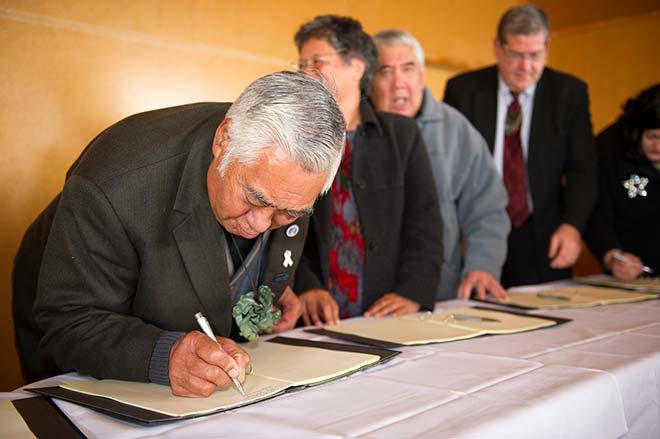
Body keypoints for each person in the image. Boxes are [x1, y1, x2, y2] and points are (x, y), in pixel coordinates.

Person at [28, 71, 346, 397]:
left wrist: (270, 282)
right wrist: (163, 355)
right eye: (253, 200)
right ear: (223, 141)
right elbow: (70, 322)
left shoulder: (286, 171)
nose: (262, 226)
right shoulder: (115, 184)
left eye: (288, 213)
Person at [292, 15, 443, 326]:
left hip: (387, 316)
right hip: (316, 319)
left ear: (357, 66)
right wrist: (306, 287)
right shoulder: (294, 138)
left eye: (317, 61)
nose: (305, 73)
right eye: (301, 63)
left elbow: (424, 223)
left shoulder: (401, 135)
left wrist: (413, 291)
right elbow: (283, 228)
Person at [444, 4, 597, 287]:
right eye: (515, 55)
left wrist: (572, 226)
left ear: (547, 46)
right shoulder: (463, 91)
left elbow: (583, 170)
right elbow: (450, 168)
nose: (525, 67)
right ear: (497, 48)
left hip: (543, 235)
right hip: (477, 232)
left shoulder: (569, 93)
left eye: (535, 55)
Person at [371, 29, 510, 301]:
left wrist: (482, 266)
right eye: (385, 71)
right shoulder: (352, 131)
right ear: (369, 81)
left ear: (422, 76)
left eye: (408, 69)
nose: (398, 82)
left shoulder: (456, 130)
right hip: (368, 300)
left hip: (440, 294)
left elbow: (488, 209)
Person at [585, 84, 660, 279]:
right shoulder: (609, 148)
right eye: (652, 137)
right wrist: (611, 255)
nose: (658, 147)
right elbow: (596, 213)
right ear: (636, 132)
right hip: (631, 270)